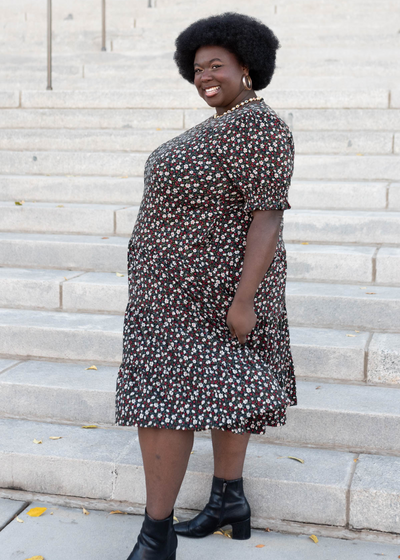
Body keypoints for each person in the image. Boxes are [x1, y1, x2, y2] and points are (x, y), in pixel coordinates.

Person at [115, 11, 296, 560]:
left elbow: (267, 218)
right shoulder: (219, 123)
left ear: (247, 66)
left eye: (216, 65)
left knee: (163, 402)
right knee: (218, 391)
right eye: (196, 68)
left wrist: (244, 302)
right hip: (168, 291)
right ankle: (228, 499)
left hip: (212, 293)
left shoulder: (263, 128)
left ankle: (156, 537)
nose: (204, 77)